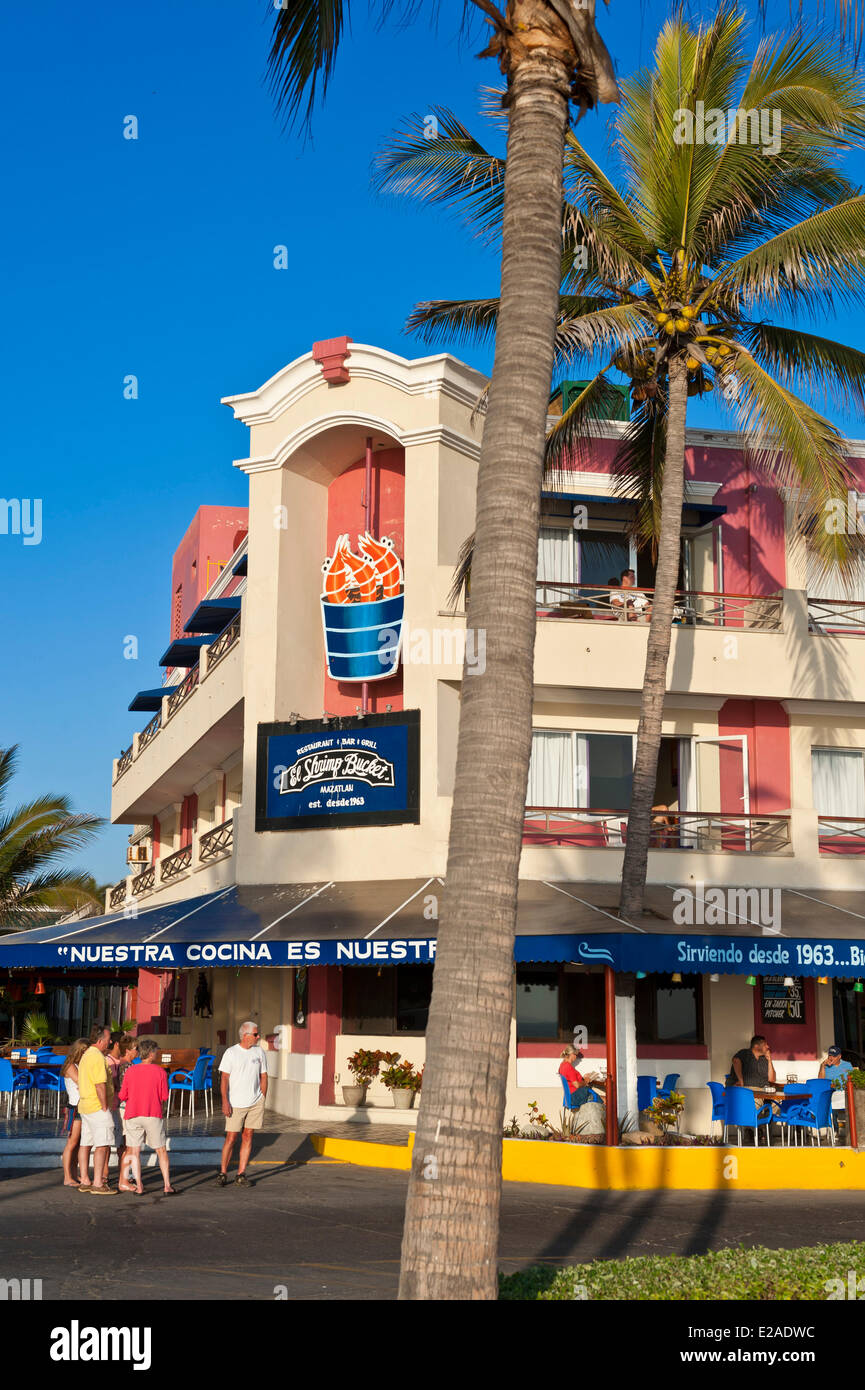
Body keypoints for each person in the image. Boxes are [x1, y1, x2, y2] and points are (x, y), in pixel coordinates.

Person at [118, 1038, 174, 1195]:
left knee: (134, 1151)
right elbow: (164, 1096)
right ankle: (167, 1185)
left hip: (132, 1114)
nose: (156, 1054)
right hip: (152, 1113)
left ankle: (139, 1186)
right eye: (155, 1051)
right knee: (161, 1150)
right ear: (150, 1053)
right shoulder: (160, 1072)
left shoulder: (130, 1071)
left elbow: (123, 1095)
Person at [218, 1022, 268, 1187]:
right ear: (245, 1035)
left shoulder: (259, 1051)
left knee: (248, 1136)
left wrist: (262, 1097)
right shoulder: (231, 1053)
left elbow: (264, 1076)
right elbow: (224, 1078)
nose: (258, 1036)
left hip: (255, 1102)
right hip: (236, 1103)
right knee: (231, 1138)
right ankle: (223, 1172)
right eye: (255, 1034)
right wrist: (225, 1101)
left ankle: (241, 1174)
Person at [77, 1024, 117, 1195]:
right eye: (108, 1040)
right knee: (102, 1144)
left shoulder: (87, 1055)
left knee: (86, 1142)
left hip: (86, 1105)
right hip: (96, 1105)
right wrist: (105, 1106)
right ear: (100, 1041)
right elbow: (100, 1083)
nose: (109, 1043)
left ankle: (85, 1179)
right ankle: (98, 1183)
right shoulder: (98, 1057)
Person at [60, 1038, 88, 1187]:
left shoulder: (80, 1065)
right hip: (75, 1106)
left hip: (82, 1105)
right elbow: (82, 1082)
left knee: (78, 1143)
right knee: (72, 1142)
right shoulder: (71, 1066)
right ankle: (67, 1176)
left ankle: (73, 1173)